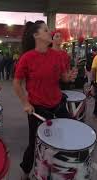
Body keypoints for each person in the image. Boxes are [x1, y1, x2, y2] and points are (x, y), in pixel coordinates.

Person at [13, 21, 77, 180]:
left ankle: (58, 171)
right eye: (46, 30)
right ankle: (25, 171)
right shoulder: (27, 58)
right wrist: (25, 103)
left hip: (58, 104)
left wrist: (68, 78)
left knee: (65, 136)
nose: (51, 32)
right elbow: (16, 83)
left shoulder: (58, 55)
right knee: (35, 142)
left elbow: (62, 77)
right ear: (36, 35)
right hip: (37, 108)